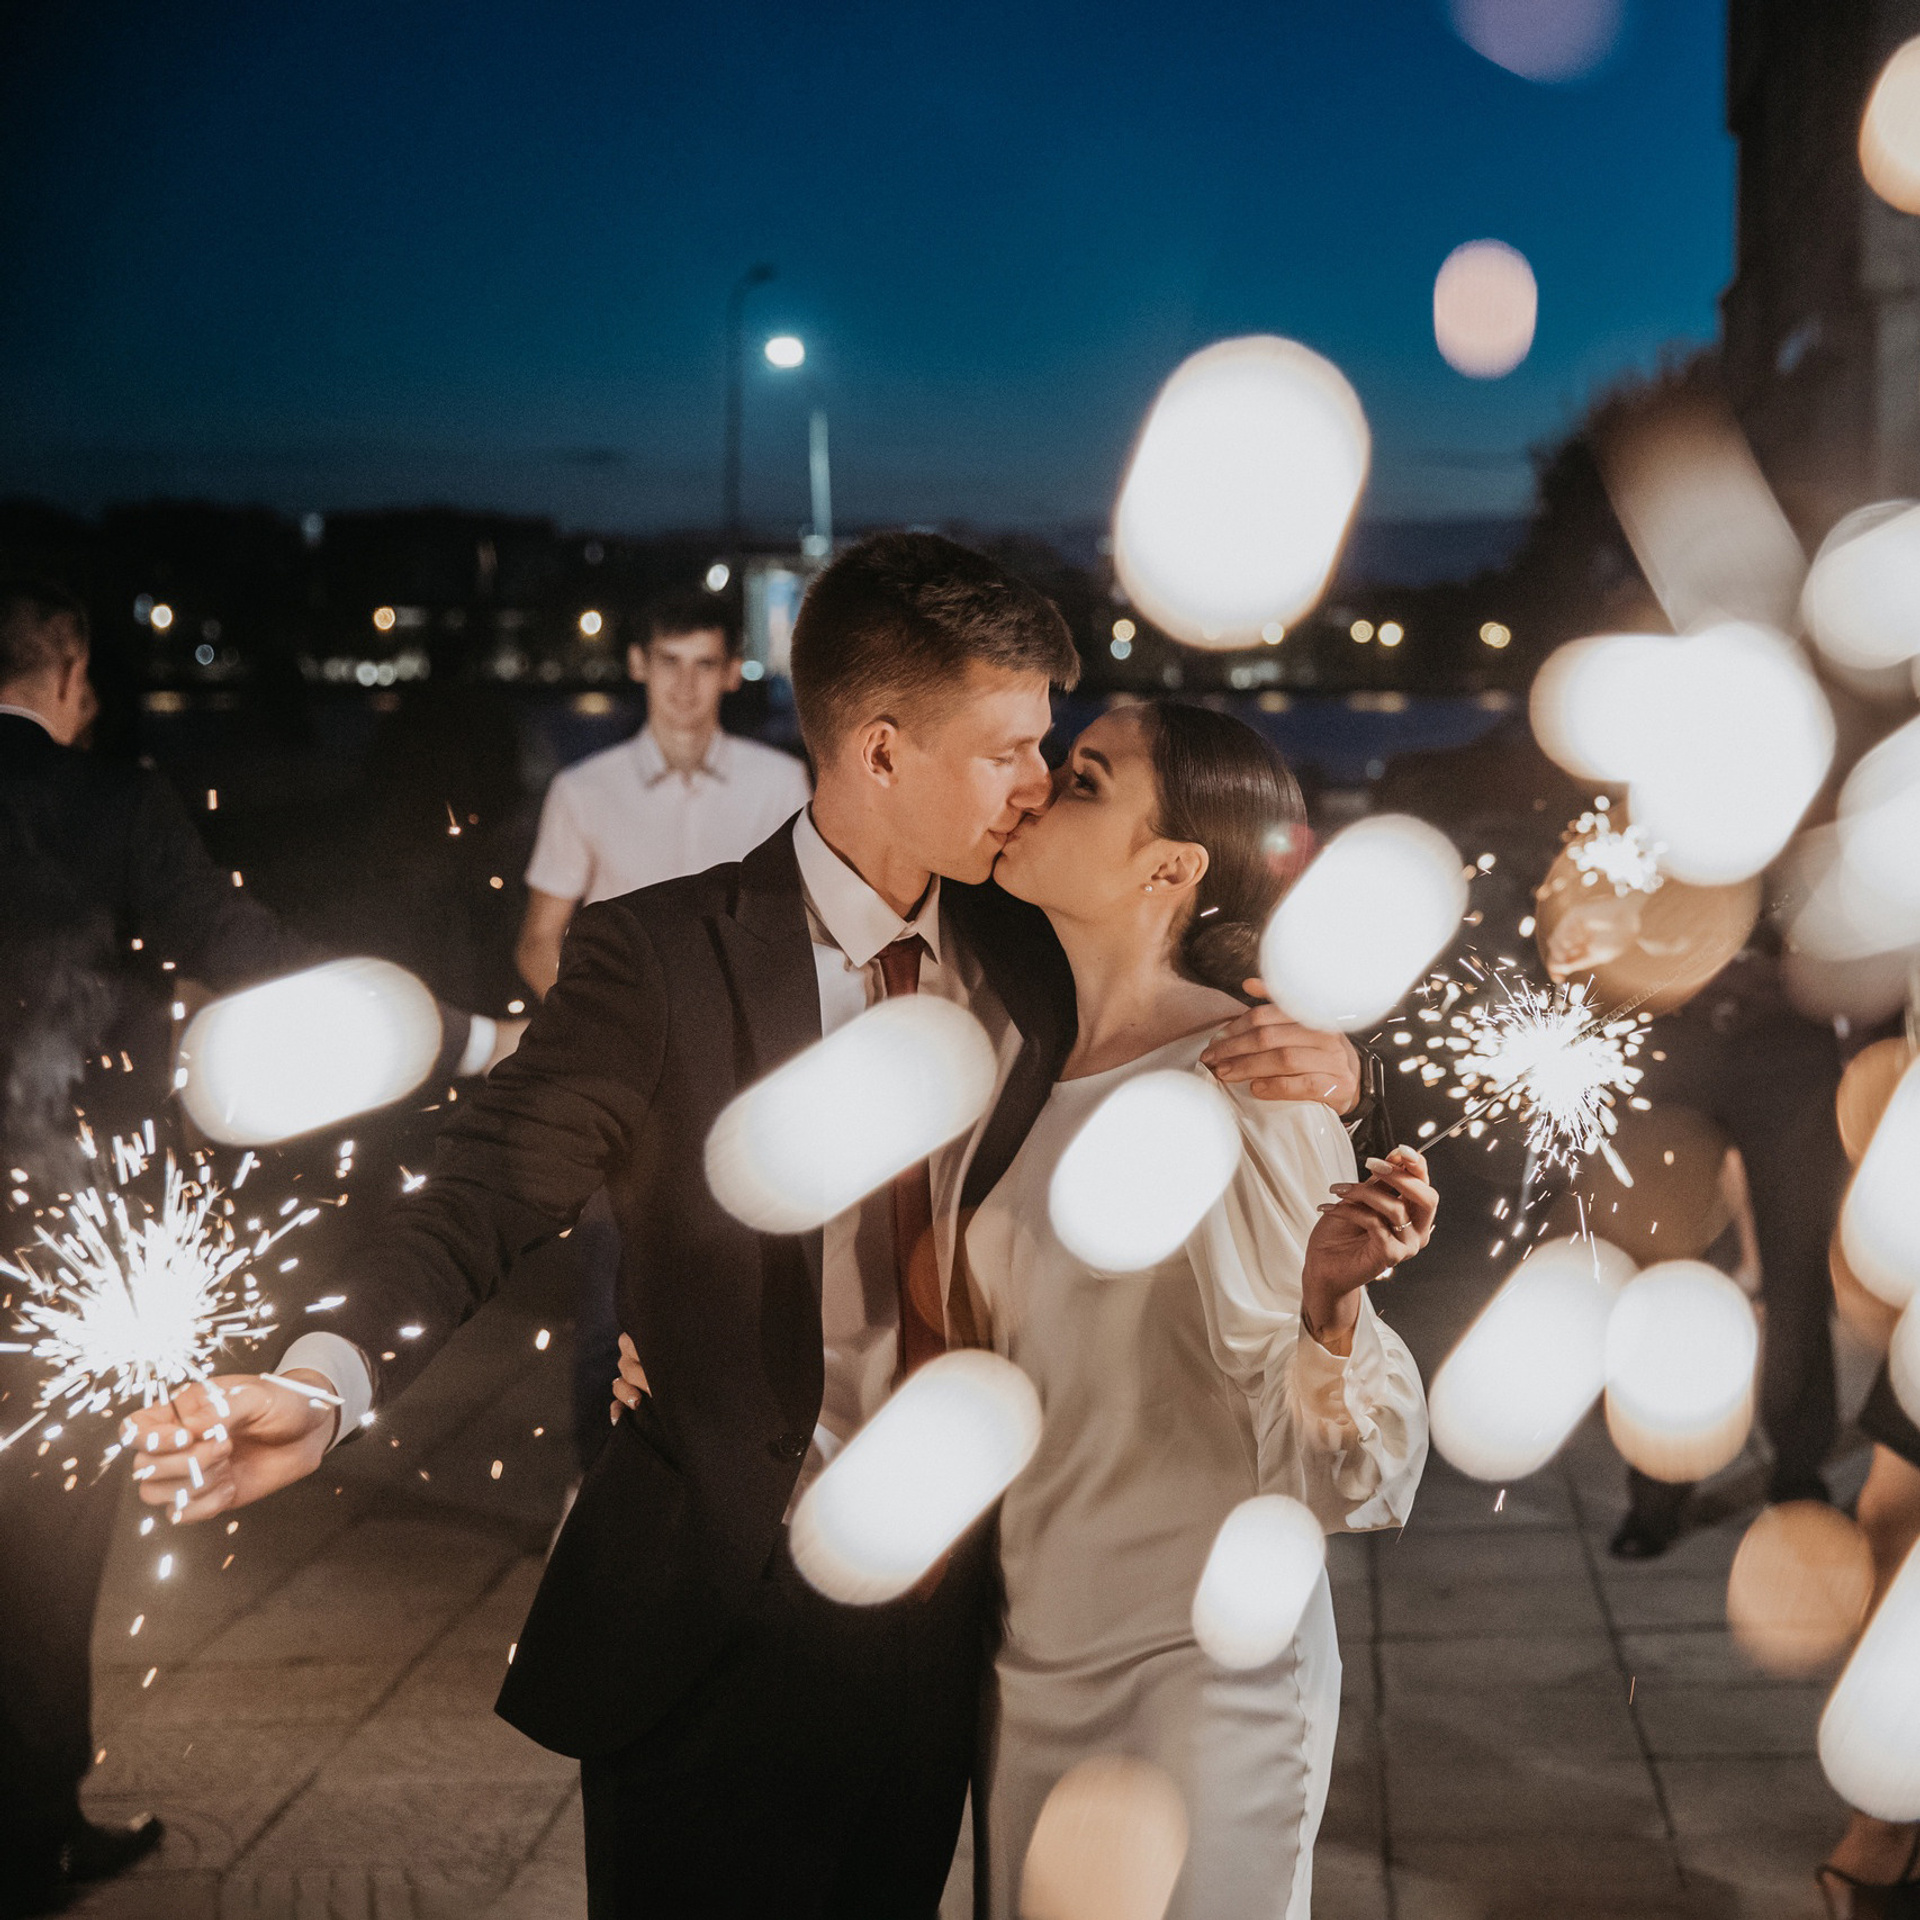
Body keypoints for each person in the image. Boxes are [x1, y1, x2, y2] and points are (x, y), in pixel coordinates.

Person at [126, 533, 1370, 1919]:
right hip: (717, 1614)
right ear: (882, 750)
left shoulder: (1030, 949)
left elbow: (1202, 975)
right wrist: (322, 1383)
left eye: (1048, 750)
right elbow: (482, 1190)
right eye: (1009, 749)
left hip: (953, 1626)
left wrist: (1345, 1068)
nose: (1036, 781)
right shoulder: (659, 958)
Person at [616, 701, 1434, 1917]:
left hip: (1202, 1665)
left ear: (1170, 868)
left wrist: (1331, 1313)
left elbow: (1330, 1471)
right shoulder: (1015, 1058)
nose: (1043, 787)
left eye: (1088, 779)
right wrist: (704, 1357)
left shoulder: (1253, 1085)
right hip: (1028, 1650)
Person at [0, 580, 513, 1920]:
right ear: (69, 669)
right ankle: (28, 1833)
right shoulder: (112, 805)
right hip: (59, 1243)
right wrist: (464, 1038)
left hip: (60, 1234)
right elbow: (251, 954)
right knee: (43, 1544)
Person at [514, 590, 810, 1470]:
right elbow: (538, 941)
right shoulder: (585, 791)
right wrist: (608, 1029)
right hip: (627, 1092)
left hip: (745, 1086)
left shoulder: (778, 784)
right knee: (613, 1299)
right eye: (669, 663)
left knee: (752, 1297)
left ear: (729, 672)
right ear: (640, 665)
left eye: (704, 665)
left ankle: (735, 1485)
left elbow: (800, 928)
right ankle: (594, 1490)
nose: (686, 686)